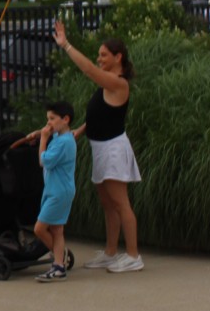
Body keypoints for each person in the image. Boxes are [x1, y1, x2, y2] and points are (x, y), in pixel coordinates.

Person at [54, 21, 144, 272]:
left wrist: (66, 45)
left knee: (120, 202)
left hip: (113, 148)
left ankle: (134, 256)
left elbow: (89, 70)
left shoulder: (118, 83)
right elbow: (101, 115)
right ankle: (111, 252)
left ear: (118, 57)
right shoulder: (108, 84)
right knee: (107, 203)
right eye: (99, 55)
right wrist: (80, 131)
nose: (99, 58)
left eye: (104, 55)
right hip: (100, 148)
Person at [16, 101, 77, 282]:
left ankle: (59, 259)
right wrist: (39, 133)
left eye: (52, 118)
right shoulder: (61, 136)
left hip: (59, 192)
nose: (48, 123)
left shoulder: (64, 142)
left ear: (65, 119)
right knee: (57, 229)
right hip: (55, 190)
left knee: (40, 228)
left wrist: (42, 139)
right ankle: (59, 265)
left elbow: (44, 161)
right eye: (47, 119)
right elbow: (53, 135)